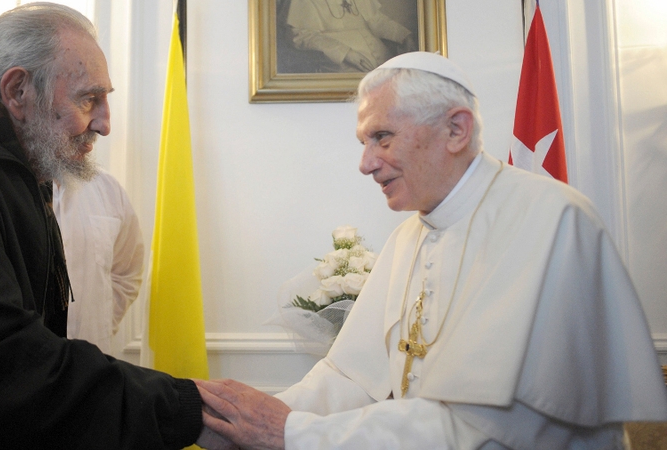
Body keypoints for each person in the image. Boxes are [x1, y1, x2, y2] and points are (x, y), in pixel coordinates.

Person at [195, 52, 667, 448]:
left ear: (456, 131)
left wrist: (291, 433)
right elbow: (350, 377)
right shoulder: (409, 237)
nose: (365, 163)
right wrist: (242, 421)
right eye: (364, 142)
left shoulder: (552, 221)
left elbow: (480, 430)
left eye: (382, 137)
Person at [0, 3, 206, 448]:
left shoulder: (4, 170)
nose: (104, 124)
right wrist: (186, 407)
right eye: (90, 98)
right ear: (18, 89)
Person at [53, 169, 144, 354]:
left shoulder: (109, 190)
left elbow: (127, 273)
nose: (99, 137)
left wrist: (100, 325)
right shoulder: (6, 187)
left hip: (93, 361)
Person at [285, 0, 416, 73]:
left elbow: (376, 20)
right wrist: (345, 53)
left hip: (382, 63)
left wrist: (404, 36)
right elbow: (301, 36)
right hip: (339, 65)